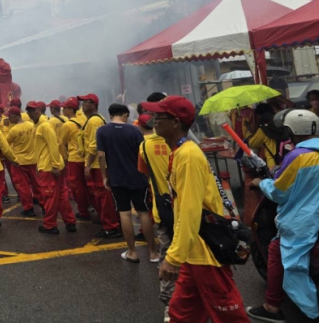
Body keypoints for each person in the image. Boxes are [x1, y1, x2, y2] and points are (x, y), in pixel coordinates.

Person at [143, 96, 249, 323]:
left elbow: (190, 212)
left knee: (230, 315)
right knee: (181, 314)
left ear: (175, 122)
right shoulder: (180, 152)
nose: (153, 120)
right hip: (194, 252)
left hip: (204, 252)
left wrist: (173, 257)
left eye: (158, 116)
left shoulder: (188, 156)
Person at [247, 108, 319, 322]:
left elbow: (280, 193)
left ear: (290, 131)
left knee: (276, 249)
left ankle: (272, 306)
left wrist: (262, 182)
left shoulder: (297, 156)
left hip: (308, 221)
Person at [96, 104, 157, 263]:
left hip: (117, 179)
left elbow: (101, 156)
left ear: (110, 115)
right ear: (126, 114)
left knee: (124, 214)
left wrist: (104, 176)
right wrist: (147, 175)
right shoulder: (134, 130)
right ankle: (153, 253)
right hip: (138, 178)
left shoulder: (102, 131)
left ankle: (132, 252)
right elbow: (143, 153)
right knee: (143, 212)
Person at [136, 109, 174, 309]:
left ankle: (169, 297)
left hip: (162, 205)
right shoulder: (175, 142)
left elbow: (144, 172)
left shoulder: (144, 146)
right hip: (181, 203)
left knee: (167, 250)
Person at [31, 102, 76, 234]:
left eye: (33, 110)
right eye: (28, 110)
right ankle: (70, 222)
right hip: (53, 165)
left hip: (49, 167)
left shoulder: (45, 126)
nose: (30, 113)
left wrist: (55, 165)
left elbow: (54, 145)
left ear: (40, 110)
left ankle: (50, 225)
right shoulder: (39, 125)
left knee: (49, 196)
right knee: (61, 195)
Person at [82, 94, 121, 238]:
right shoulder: (96, 119)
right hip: (100, 164)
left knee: (103, 196)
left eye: (86, 102)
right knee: (103, 196)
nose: (83, 104)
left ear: (93, 105)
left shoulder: (94, 121)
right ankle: (111, 223)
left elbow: (94, 145)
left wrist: (88, 164)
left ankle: (111, 227)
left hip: (98, 165)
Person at [6, 106, 41, 217]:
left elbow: (6, 145)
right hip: (33, 160)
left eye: (9, 116)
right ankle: (44, 205)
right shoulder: (32, 126)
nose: (8, 118)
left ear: (15, 116)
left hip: (19, 162)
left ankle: (28, 208)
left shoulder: (14, 130)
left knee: (23, 186)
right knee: (37, 184)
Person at [59, 97, 91, 220]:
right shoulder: (83, 119)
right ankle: (89, 205)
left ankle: (83, 211)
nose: (62, 110)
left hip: (74, 158)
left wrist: (64, 159)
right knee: (87, 185)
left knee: (77, 187)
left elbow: (63, 143)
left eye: (64, 108)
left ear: (70, 110)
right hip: (85, 157)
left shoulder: (68, 124)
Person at [248, 103, 287, 170]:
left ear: (260, 115)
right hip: (287, 160)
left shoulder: (263, 129)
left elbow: (252, 143)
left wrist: (250, 133)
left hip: (273, 165)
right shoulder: (283, 124)